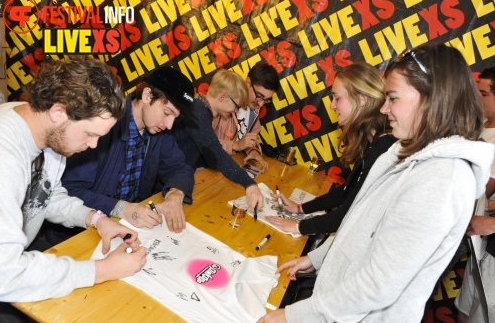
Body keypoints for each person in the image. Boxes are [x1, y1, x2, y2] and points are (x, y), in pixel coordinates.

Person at [258, 44, 494, 323]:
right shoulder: (403, 149)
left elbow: (379, 283)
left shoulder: (444, 179)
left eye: (393, 98)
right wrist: (318, 258)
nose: (384, 108)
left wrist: (293, 316)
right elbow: (360, 223)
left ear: (432, 99)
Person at [0, 57, 146, 318]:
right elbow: (3, 273)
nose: (94, 145)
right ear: (58, 111)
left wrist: (97, 219)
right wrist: (103, 270)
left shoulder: (43, 127)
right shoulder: (2, 156)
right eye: (90, 134)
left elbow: (45, 193)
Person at [53, 66, 195, 242]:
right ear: (147, 96)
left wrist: (175, 196)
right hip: (81, 232)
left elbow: (180, 168)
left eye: (175, 118)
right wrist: (122, 208)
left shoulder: (159, 131)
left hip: (130, 226)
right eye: (167, 113)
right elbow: (68, 191)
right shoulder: (103, 124)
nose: (169, 125)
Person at [264, 62, 396, 236]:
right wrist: (300, 208)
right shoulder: (371, 139)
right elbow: (346, 191)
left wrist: (297, 227)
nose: (332, 106)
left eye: (337, 98)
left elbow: (350, 212)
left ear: (362, 100)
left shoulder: (383, 147)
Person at [172, 69, 264, 211]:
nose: (236, 111)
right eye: (236, 106)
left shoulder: (201, 109)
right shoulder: (197, 110)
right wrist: (249, 183)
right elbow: (213, 150)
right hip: (166, 184)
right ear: (222, 96)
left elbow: (208, 155)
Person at [455, 65, 495, 323]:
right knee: (464, 312)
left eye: (483, 93)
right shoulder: (479, 125)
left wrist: (491, 222)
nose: (477, 99)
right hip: (483, 247)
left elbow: (479, 188)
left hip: (487, 239)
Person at [212, 63, 280, 171]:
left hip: (227, 167)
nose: (261, 104)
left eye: (266, 100)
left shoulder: (253, 111)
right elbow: (202, 142)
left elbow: (250, 138)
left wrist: (253, 151)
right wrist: (235, 145)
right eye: (259, 96)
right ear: (247, 82)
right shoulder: (224, 103)